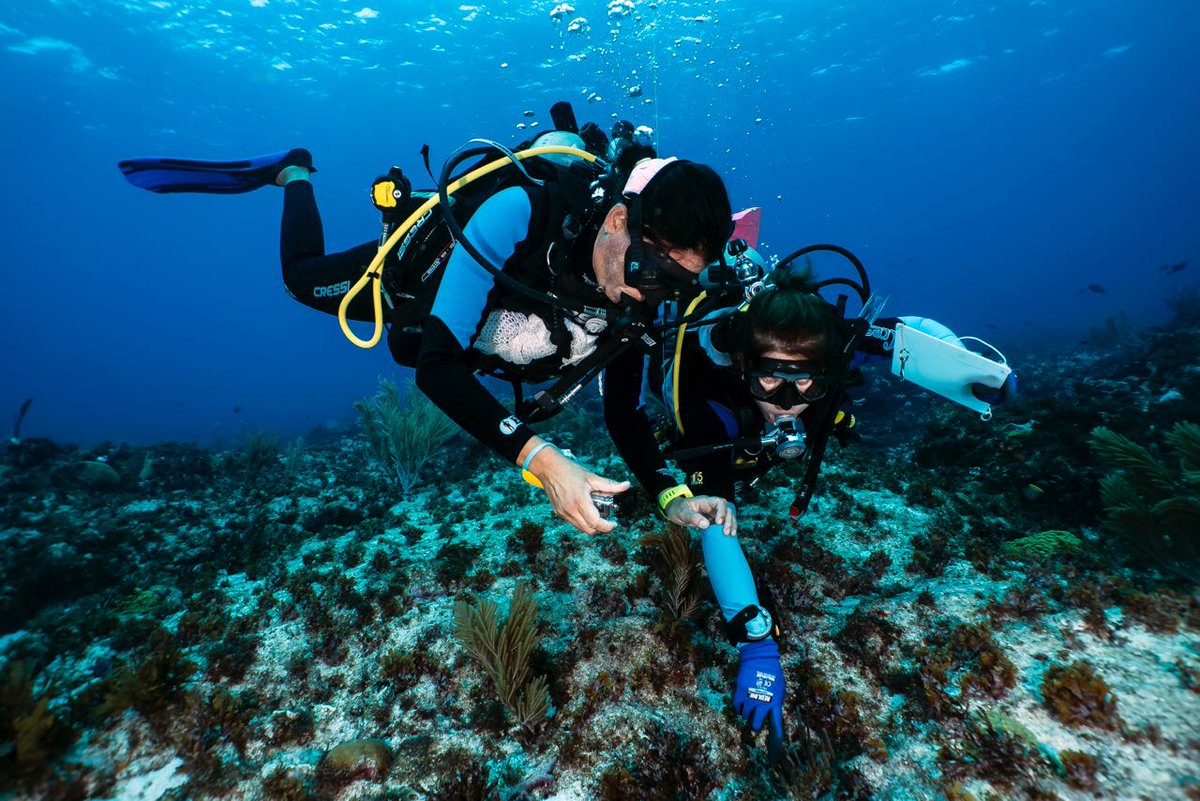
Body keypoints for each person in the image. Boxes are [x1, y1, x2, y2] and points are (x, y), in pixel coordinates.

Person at [118, 106, 734, 535]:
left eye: (675, 287)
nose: (647, 295)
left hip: (506, 335)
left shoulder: (635, 300)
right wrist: (544, 463)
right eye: (653, 272)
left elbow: (623, 413)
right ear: (620, 220)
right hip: (415, 287)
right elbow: (437, 368)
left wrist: (672, 495)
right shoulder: (519, 209)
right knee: (301, 280)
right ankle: (293, 171)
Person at [607, 252, 1016, 759]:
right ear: (742, 368)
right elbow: (715, 525)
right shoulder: (708, 407)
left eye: (807, 383)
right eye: (768, 380)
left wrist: (968, 370)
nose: (785, 400)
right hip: (710, 414)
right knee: (721, 473)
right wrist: (756, 643)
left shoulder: (832, 343)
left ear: (825, 372)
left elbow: (906, 331)